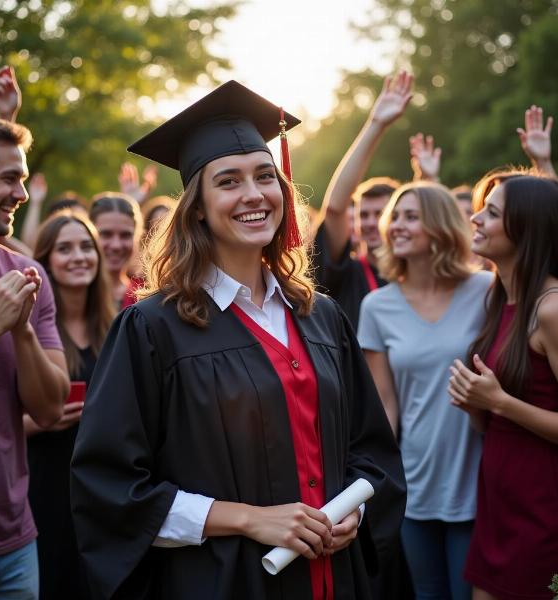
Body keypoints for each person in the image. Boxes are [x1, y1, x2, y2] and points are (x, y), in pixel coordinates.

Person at [71, 80, 406, 600]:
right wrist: (247, 519)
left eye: (265, 177)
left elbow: (370, 449)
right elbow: (110, 489)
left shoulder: (322, 318)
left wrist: (354, 509)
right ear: (197, 207)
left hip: (336, 579)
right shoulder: (154, 329)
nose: (254, 195)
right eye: (228, 181)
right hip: (223, 581)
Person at [358, 182, 493, 600]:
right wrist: (382, 478)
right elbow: (385, 403)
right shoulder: (377, 307)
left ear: (439, 226)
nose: (396, 225)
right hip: (416, 483)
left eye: (410, 216)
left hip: (478, 479)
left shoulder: (486, 289)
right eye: (394, 216)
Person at [0, 112, 69, 597]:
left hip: (15, 545)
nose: (21, 195)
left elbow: (49, 410)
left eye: (23, 181)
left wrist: (21, 330)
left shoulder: (26, 276)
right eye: (9, 178)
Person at [448, 170, 558, 600]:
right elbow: (493, 423)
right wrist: (476, 405)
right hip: (498, 504)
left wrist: (500, 402)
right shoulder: (500, 299)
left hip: (543, 513)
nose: (474, 219)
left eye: (491, 213)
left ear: (526, 228)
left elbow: (511, 409)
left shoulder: (551, 309)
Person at [25, 210, 115, 599]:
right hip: (42, 479)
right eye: (64, 249)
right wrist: (39, 421)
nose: (79, 256)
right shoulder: (30, 327)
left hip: (100, 485)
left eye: (85, 247)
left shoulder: (117, 325)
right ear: (44, 261)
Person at [313, 71, 412, 331]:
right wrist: (376, 124)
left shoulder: (420, 276)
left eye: (380, 214)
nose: (370, 223)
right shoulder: (347, 274)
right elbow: (335, 208)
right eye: (363, 215)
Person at [89, 192, 142, 309]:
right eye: (106, 234)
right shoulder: (73, 295)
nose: (116, 245)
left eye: (125, 235)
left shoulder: (145, 297)